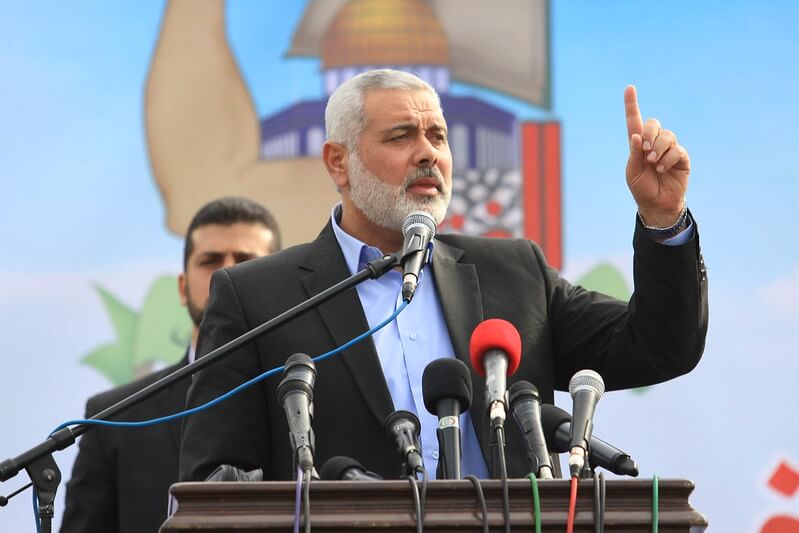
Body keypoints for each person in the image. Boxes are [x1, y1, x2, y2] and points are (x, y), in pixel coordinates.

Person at [179, 69, 708, 483]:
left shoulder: (514, 273)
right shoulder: (257, 297)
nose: (429, 153)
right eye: (402, 136)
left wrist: (663, 221)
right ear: (338, 162)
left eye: (438, 136)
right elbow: (214, 481)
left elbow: (660, 346)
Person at [60, 197, 281, 533]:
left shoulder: (310, 400)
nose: (227, 274)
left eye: (245, 261)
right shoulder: (114, 419)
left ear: (275, 282)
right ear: (182, 287)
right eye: (210, 261)